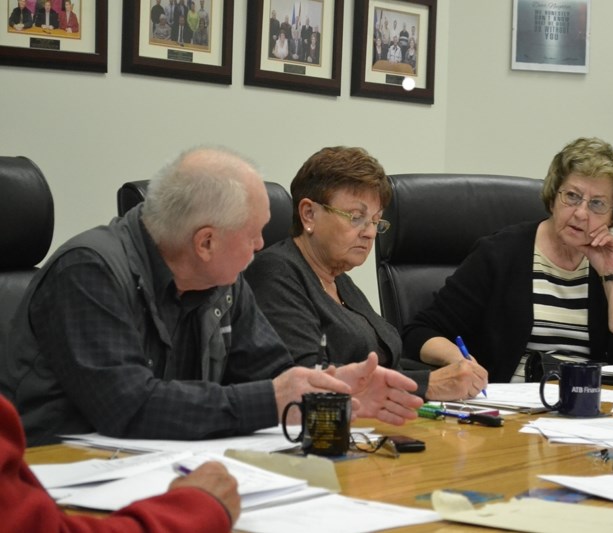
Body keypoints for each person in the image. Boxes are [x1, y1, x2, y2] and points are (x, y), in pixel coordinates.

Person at [0, 146, 422, 446]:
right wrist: (273, 399)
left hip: (159, 466)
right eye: (253, 233)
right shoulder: (89, 271)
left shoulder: (223, 280)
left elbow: (271, 373)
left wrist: (328, 395)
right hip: (53, 476)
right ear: (205, 242)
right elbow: (127, 406)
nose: (262, 245)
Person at [402, 137, 613, 383]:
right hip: (513, 407)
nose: (581, 213)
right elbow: (419, 333)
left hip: (587, 405)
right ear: (553, 196)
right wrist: (460, 362)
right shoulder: (500, 254)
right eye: (572, 196)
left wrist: (612, 275)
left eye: (597, 204)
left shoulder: (609, 264)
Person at [244, 146, 488, 401]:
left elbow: (389, 361)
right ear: (309, 213)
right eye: (356, 217)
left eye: (375, 220)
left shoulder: (339, 279)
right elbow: (307, 378)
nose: (370, 232)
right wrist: (426, 384)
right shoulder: (274, 273)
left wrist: (448, 374)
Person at [0, 396, 240, 533]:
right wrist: (194, 512)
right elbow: (126, 401)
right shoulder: (84, 306)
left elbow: (263, 363)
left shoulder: (229, 305)